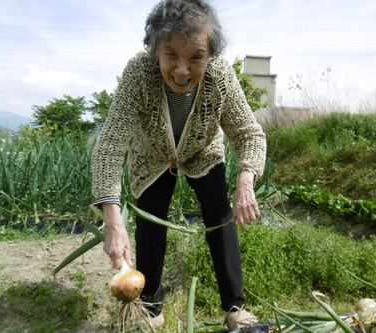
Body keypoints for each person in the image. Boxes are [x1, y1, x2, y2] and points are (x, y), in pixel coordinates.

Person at [91, 0, 267, 330]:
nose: (182, 69)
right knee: (150, 220)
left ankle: (235, 309)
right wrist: (113, 222)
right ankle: (151, 309)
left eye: (196, 56)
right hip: (153, 155)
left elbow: (249, 134)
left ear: (210, 55)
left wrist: (246, 180)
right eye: (171, 54)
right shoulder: (138, 74)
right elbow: (110, 148)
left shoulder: (221, 77)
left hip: (203, 150)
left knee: (219, 214)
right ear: (155, 49)